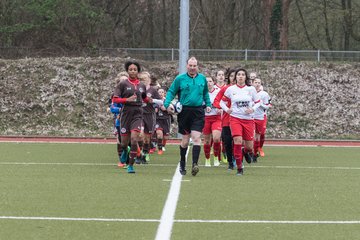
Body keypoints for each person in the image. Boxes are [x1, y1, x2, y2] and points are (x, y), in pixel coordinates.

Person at [164, 56, 212, 176]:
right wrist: (166, 104)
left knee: (196, 138)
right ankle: (182, 162)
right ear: (187, 66)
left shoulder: (202, 79)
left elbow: (206, 93)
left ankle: (195, 164)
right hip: (184, 112)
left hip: (198, 112)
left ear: (197, 66)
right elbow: (171, 92)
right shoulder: (180, 79)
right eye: (190, 65)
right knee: (185, 141)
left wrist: (208, 104)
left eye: (194, 65)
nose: (192, 68)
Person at [112, 60, 154, 174]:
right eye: (130, 69)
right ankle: (125, 150)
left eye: (135, 69)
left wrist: (148, 100)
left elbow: (144, 97)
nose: (133, 71)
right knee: (124, 142)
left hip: (138, 114)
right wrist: (127, 100)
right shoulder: (122, 84)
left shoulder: (141, 85)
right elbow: (115, 99)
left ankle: (131, 165)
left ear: (138, 71)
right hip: (126, 114)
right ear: (127, 71)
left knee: (134, 139)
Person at [220, 68, 260, 176]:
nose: (240, 76)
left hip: (248, 120)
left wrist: (252, 109)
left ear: (246, 77)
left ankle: (244, 152)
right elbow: (221, 102)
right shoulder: (230, 89)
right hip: (235, 118)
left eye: (243, 74)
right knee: (237, 140)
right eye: (238, 75)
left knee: (249, 147)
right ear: (236, 77)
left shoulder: (251, 89)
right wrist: (226, 109)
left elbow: (258, 102)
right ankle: (239, 168)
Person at [213, 68, 237, 170]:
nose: (234, 78)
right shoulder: (225, 89)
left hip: (241, 119)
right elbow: (216, 101)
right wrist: (224, 108)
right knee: (227, 141)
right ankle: (231, 162)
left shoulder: (246, 89)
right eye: (232, 76)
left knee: (238, 141)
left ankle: (239, 157)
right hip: (227, 119)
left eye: (235, 76)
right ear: (229, 78)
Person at [138, 71, 162, 162]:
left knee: (147, 139)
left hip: (150, 115)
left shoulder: (153, 90)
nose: (143, 81)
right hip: (139, 114)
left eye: (145, 79)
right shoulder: (137, 89)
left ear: (149, 80)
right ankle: (139, 155)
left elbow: (161, 102)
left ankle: (146, 153)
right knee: (140, 134)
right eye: (141, 79)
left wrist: (153, 101)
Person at [203, 76, 222, 167]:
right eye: (207, 81)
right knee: (207, 141)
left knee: (216, 138)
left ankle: (215, 157)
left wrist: (221, 108)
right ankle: (207, 159)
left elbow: (224, 102)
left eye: (210, 81)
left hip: (216, 118)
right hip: (206, 118)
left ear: (213, 82)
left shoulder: (218, 91)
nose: (208, 83)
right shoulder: (201, 92)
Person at [252, 80, 271, 160]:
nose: (257, 84)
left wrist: (261, 104)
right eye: (255, 82)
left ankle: (255, 153)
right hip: (250, 117)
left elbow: (267, 106)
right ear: (252, 83)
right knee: (251, 136)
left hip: (260, 117)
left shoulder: (264, 94)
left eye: (258, 83)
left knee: (258, 136)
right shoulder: (249, 92)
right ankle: (250, 152)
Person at [155, 87, 172, 154]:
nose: (161, 93)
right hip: (157, 119)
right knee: (159, 134)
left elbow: (171, 110)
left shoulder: (167, 101)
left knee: (165, 137)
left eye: (162, 92)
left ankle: (162, 145)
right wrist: (156, 108)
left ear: (165, 93)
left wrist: (167, 109)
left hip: (166, 119)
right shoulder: (155, 101)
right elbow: (154, 110)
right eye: (159, 92)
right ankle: (159, 149)